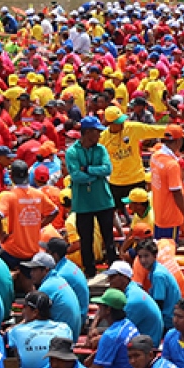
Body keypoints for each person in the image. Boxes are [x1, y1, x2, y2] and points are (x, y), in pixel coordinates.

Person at [66, 114, 116, 277]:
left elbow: (107, 169)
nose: (99, 135)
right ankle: (90, 271)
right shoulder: (72, 152)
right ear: (87, 132)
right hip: (83, 203)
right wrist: (96, 174)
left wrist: (87, 169)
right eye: (96, 132)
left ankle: (114, 268)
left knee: (108, 237)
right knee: (85, 239)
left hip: (103, 200)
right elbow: (75, 176)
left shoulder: (101, 149)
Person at [6, 290, 74, 368]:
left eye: (25, 307)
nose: (22, 312)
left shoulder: (16, 331)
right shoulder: (64, 328)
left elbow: (14, 350)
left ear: (35, 312)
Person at [88, 287, 143, 368]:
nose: (98, 309)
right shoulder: (128, 323)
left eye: (101, 306)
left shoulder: (110, 336)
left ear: (108, 309)